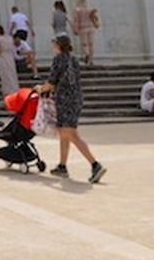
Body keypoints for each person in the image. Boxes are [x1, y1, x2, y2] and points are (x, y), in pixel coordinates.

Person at [37, 34, 104, 183]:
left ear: (58, 45)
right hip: (76, 98)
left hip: (65, 100)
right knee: (65, 133)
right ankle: (62, 166)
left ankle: (95, 164)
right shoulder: (73, 59)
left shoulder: (58, 59)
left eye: (54, 43)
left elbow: (52, 82)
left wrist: (40, 89)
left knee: (71, 134)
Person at [0, 23, 19, 97]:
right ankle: (14, 89)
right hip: (10, 57)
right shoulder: (10, 38)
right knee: (12, 74)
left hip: (3, 58)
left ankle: (8, 91)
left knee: (5, 75)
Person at [73, 0, 99, 65]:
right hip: (91, 28)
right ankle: (91, 59)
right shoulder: (90, 9)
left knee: (84, 44)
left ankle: (87, 54)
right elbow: (95, 18)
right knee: (91, 44)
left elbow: (76, 20)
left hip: (83, 28)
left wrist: (75, 29)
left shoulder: (77, 10)